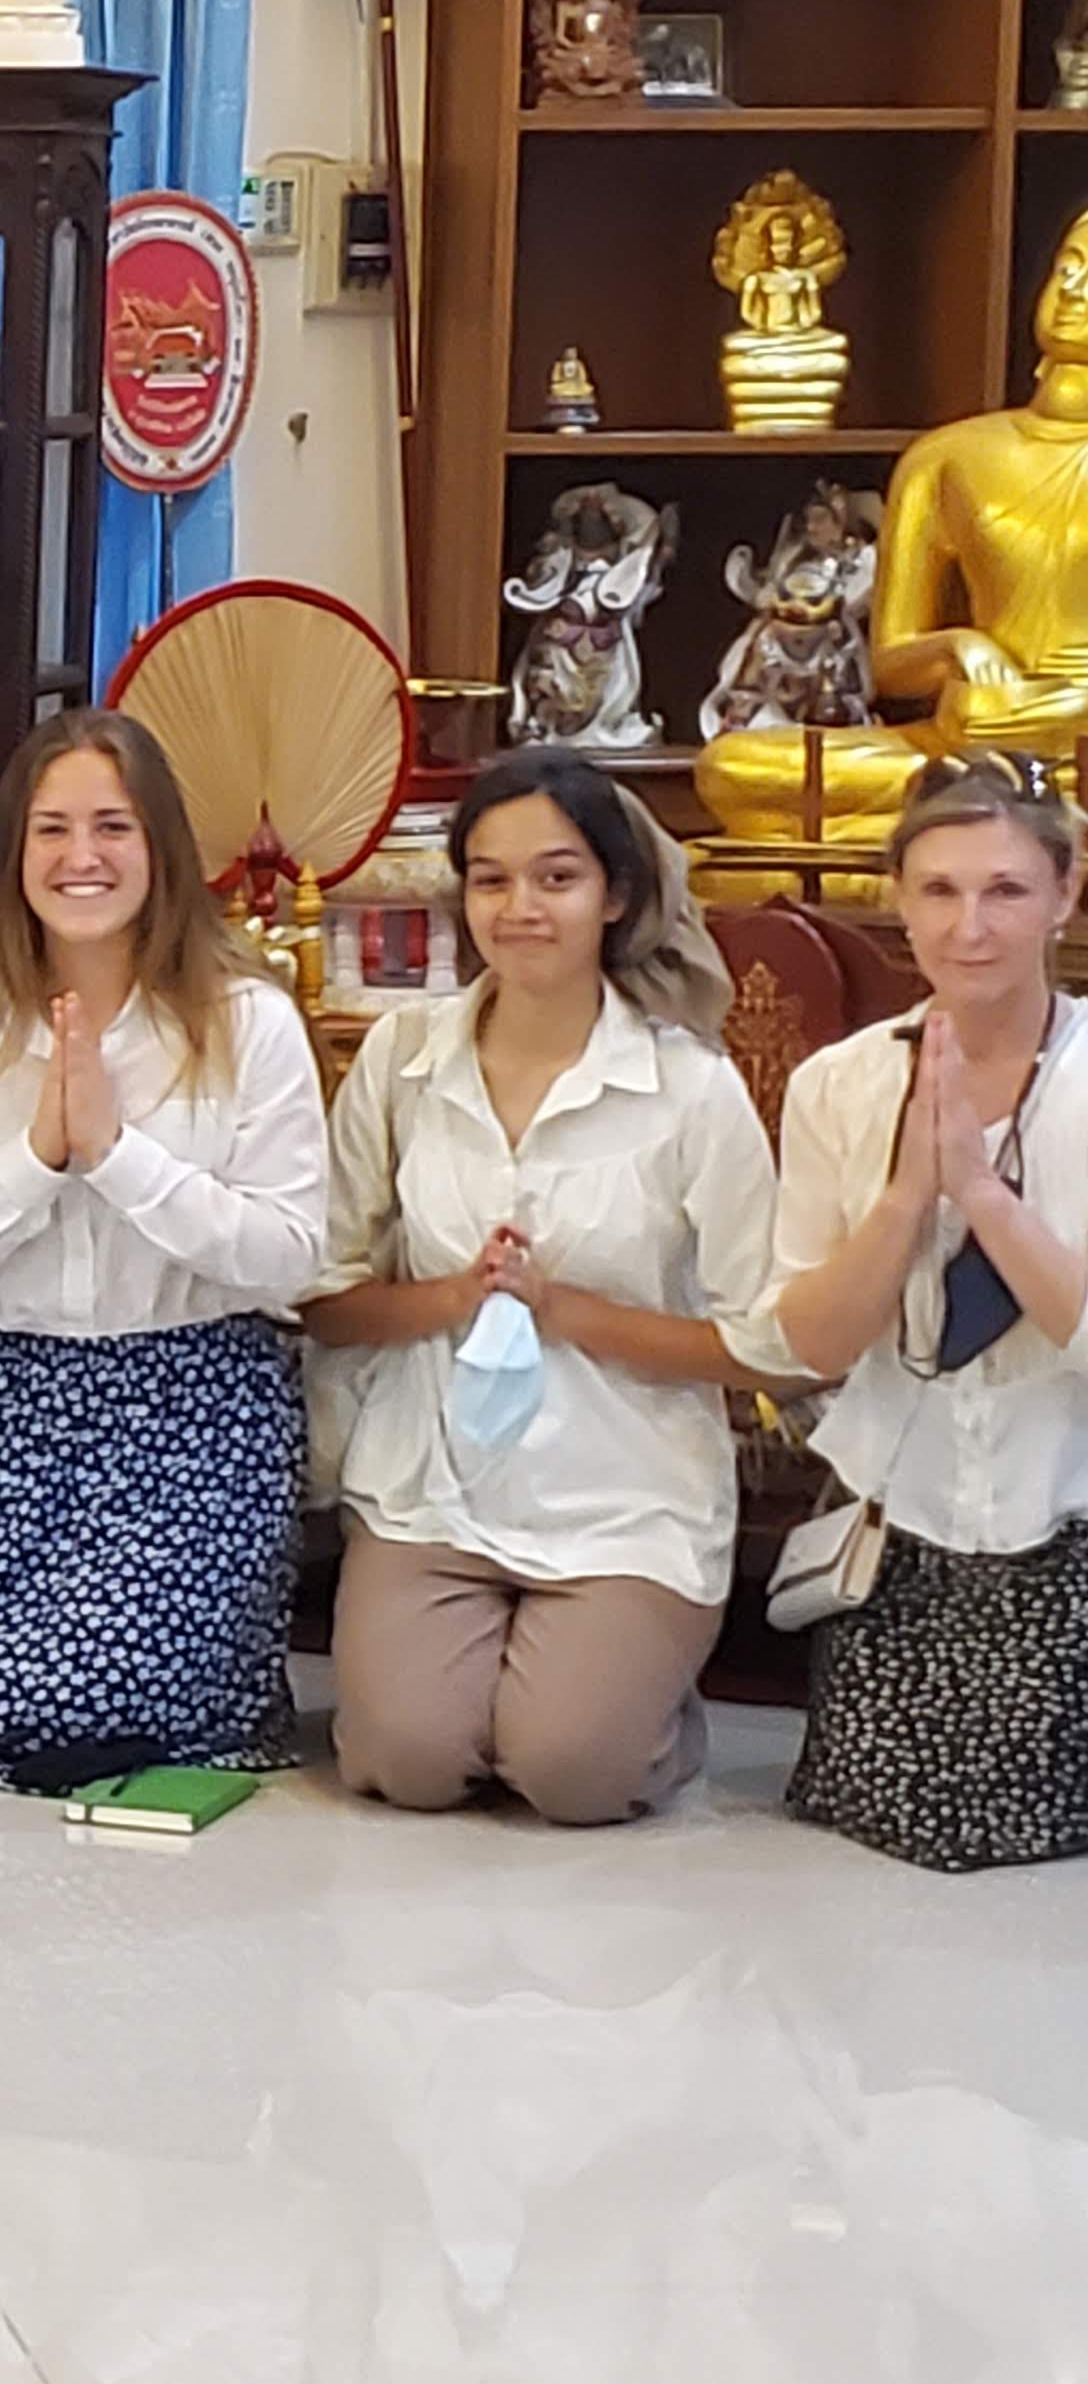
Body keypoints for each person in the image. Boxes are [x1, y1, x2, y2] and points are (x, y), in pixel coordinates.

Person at [0, 706, 326, 1789]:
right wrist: (41, 1155)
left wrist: (119, 1158)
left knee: (105, 1683)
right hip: (8, 1400)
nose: (82, 857)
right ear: (14, 854)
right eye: (51, 830)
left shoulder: (246, 1021)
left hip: (192, 1402)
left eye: (112, 827)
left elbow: (291, 1254)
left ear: (160, 847)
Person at [301, 749, 791, 1826]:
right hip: (433, 1483)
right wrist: (452, 1299)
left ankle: (626, 1704)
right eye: (490, 878)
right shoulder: (402, 1059)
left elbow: (763, 1343)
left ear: (614, 894)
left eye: (556, 879)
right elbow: (323, 1294)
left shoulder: (689, 1086)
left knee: (572, 1773)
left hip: (625, 1494)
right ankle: (500, 1685)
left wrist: (563, 1311)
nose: (520, 907)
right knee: (408, 1763)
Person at [765, 754, 1088, 1869]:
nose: (971, 928)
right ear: (897, 899)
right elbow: (804, 1344)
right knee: (895, 1820)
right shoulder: (842, 1085)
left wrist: (985, 1193)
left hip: (1068, 1511)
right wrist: (909, 1194)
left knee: (1026, 1821)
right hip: (902, 1517)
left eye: (1005, 890)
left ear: (1066, 893)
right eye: (939, 891)